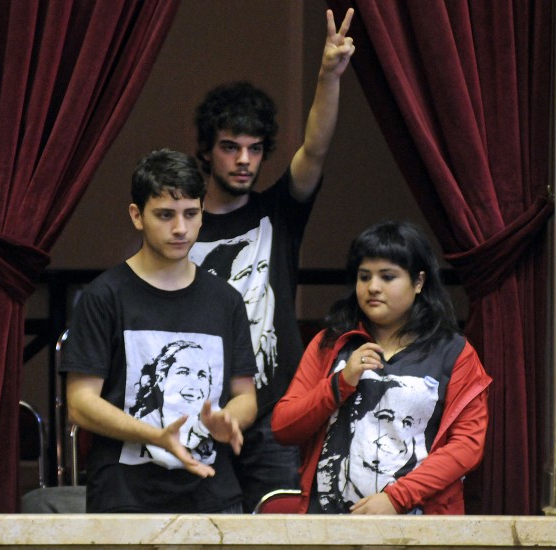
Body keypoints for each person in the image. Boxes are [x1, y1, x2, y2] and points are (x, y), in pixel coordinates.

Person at [188, 7, 356, 512]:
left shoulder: (277, 213)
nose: (244, 160)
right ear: (206, 151)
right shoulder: (181, 226)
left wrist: (329, 75)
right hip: (200, 409)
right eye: (230, 147)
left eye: (255, 149)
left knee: (283, 527)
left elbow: (316, 149)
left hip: (276, 411)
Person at [61, 149, 257, 513]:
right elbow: (80, 405)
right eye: (165, 215)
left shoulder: (225, 300)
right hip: (125, 499)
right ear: (137, 216)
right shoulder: (105, 296)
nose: (180, 228)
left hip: (212, 496)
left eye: (190, 214)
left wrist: (230, 420)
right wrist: (155, 436)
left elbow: (245, 395)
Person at [271, 221, 492, 514]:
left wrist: (397, 497)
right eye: (364, 277)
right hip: (328, 524)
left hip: (421, 525)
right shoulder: (331, 343)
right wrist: (339, 384)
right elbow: (283, 426)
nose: (373, 287)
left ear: (418, 282)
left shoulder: (454, 352)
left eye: (387, 277)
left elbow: (467, 446)